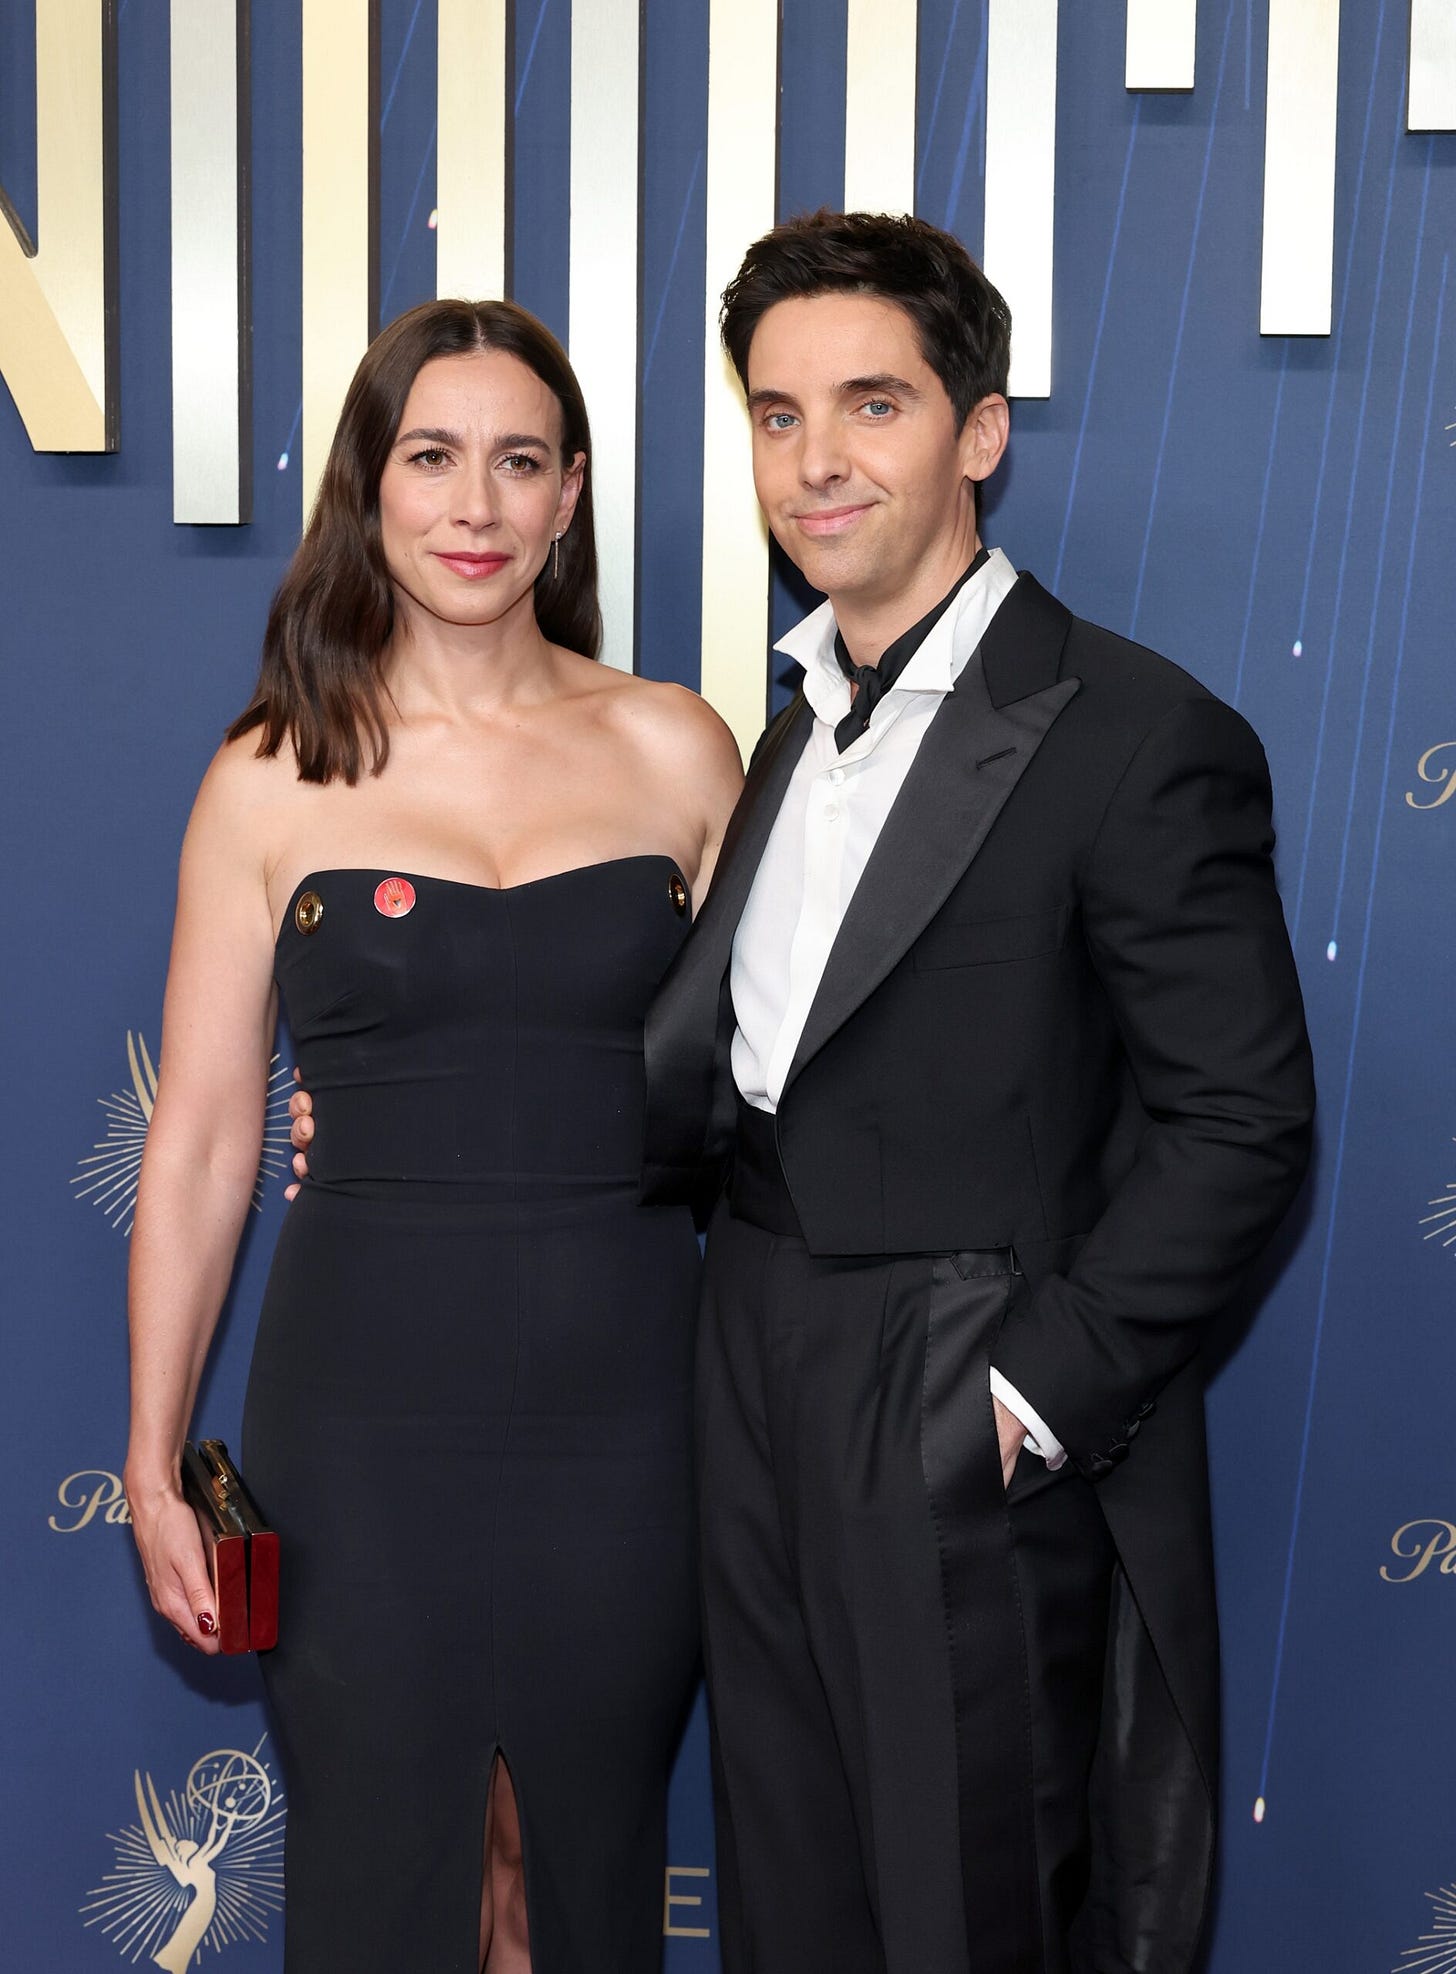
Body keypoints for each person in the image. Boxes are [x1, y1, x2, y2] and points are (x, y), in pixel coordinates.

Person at [638, 212, 1317, 1973]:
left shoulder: (1133, 734)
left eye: (871, 404)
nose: (817, 460)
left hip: (958, 1372)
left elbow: (1242, 1120)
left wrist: (1028, 1394)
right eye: (778, 415)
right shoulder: (790, 717)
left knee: (968, 1910)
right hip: (758, 1350)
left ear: (981, 431)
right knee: (791, 1893)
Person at [123, 296, 742, 1974]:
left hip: (631, 1412)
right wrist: (154, 1449)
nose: (475, 504)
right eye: (434, 456)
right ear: (371, 489)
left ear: (571, 496)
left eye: (519, 461)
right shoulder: (271, 774)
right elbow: (199, 1137)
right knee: (398, 1865)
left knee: (572, 1863)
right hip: (361, 1416)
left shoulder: (682, 747)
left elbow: (775, 1089)